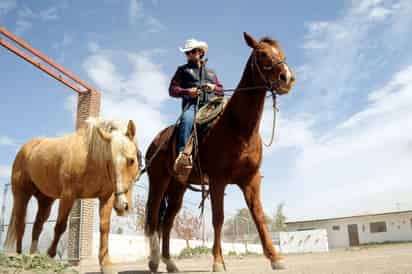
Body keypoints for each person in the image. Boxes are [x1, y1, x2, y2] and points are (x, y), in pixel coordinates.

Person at [169, 38, 223, 179]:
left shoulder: (211, 73)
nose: (189, 55)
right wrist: (188, 92)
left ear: (200, 52)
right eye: (187, 53)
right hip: (193, 105)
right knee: (187, 120)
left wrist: (214, 87)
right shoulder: (182, 70)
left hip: (212, 106)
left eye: (192, 51)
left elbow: (221, 91)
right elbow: (172, 90)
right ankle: (183, 156)